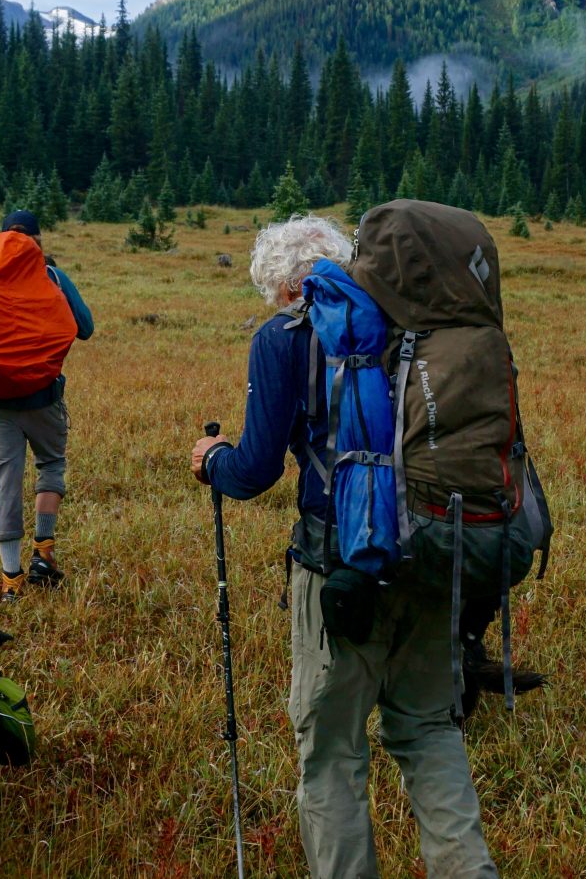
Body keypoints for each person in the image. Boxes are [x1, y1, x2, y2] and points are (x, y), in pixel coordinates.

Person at [190, 214, 499, 879]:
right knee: (430, 731)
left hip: (338, 569)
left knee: (331, 755)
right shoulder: (421, 334)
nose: (277, 307)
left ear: (289, 287)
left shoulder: (283, 338)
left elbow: (256, 470)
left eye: (276, 296)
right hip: (434, 559)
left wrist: (212, 460)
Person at [0, 209, 94, 603]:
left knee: (6, 481)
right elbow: (86, 327)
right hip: (44, 395)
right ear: (38, 240)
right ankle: (43, 552)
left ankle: (11, 580)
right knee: (50, 465)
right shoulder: (52, 277)